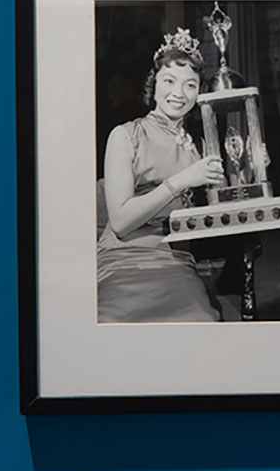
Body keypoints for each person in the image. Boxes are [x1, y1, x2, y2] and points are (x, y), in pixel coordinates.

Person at [96, 28, 225, 322]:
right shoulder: (125, 136)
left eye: (190, 85)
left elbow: (219, 211)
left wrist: (248, 169)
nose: (178, 94)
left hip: (176, 261)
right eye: (169, 81)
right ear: (153, 86)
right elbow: (121, 222)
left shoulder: (202, 144)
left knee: (198, 320)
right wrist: (182, 180)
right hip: (123, 260)